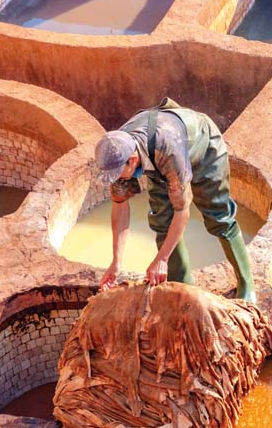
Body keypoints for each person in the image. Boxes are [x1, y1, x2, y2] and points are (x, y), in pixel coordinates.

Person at [92, 97, 255, 301]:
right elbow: (120, 206)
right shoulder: (117, 150)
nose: (115, 179)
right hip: (158, 159)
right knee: (161, 221)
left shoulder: (167, 151)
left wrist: (162, 259)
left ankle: (247, 285)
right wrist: (116, 263)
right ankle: (184, 289)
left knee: (218, 217)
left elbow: (182, 211)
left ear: (132, 161)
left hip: (203, 149)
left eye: (118, 174)